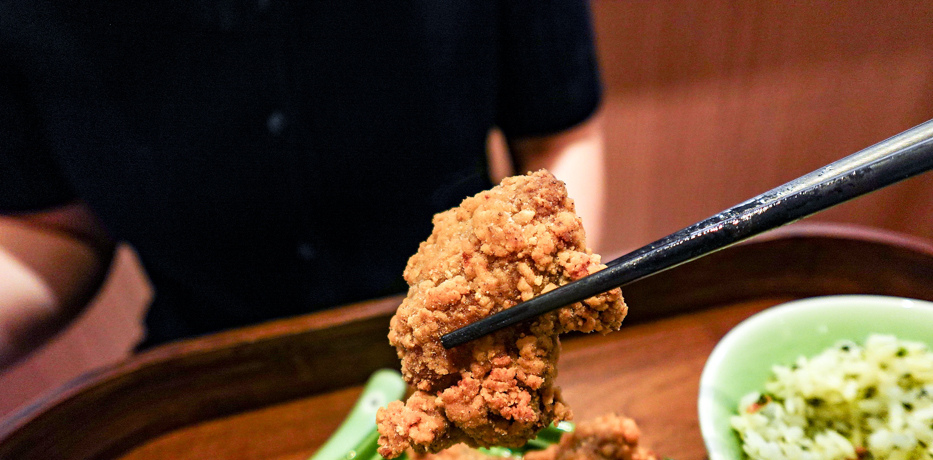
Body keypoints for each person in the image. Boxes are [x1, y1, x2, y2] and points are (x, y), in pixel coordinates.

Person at [0, 0, 606, 369]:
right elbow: (54, 227)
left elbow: (556, 141)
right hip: (210, 375)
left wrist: (534, 313)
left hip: (465, 345)